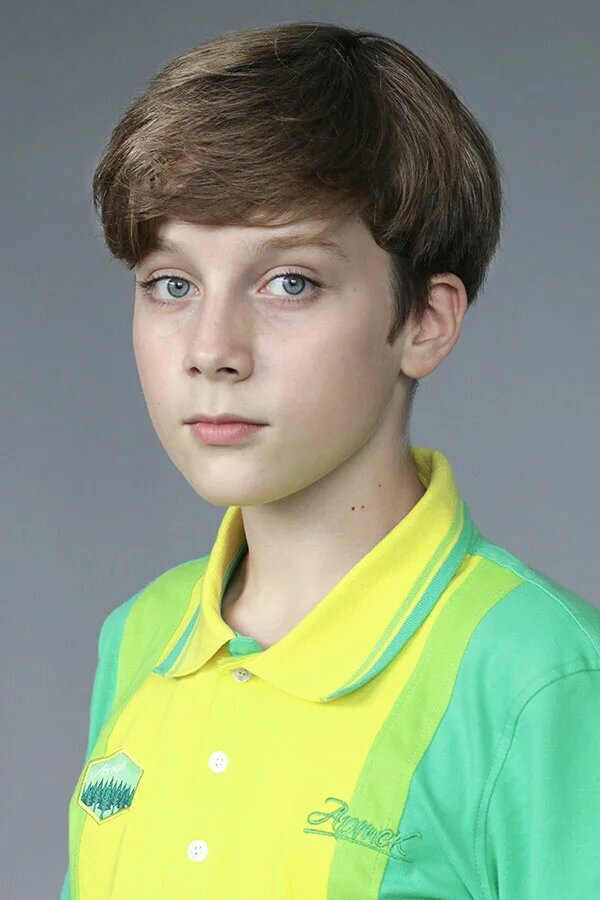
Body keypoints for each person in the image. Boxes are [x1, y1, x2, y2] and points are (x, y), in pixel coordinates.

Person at [60, 21, 600, 900]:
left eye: (290, 283)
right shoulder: (141, 637)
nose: (211, 349)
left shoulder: (543, 678)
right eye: (172, 284)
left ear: (424, 321)